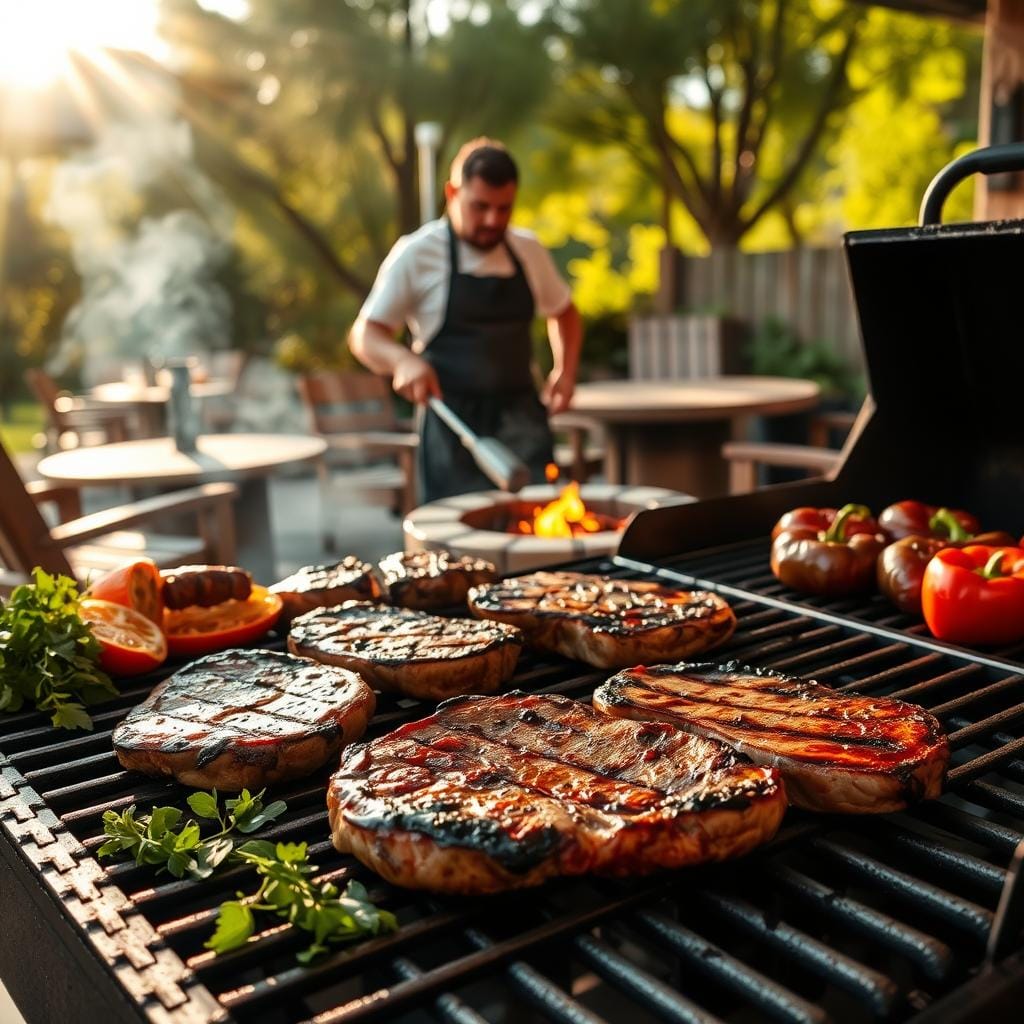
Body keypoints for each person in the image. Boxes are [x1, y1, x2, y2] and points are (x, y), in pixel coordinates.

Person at [348, 137, 582, 503]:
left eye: (505, 209)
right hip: (452, 430)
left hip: (523, 423)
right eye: (480, 207)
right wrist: (402, 360)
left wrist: (565, 372)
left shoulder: (528, 250)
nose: (493, 220)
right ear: (452, 192)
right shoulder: (417, 253)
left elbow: (564, 312)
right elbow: (365, 334)